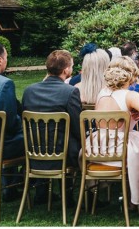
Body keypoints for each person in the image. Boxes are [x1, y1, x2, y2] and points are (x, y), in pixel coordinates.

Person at [94, 56, 139, 207]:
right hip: (119, 148)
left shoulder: (101, 93)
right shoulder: (129, 95)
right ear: (132, 76)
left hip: (97, 147)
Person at [21, 50, 82, 204]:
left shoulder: (29, 91)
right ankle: (68, 196)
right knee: (75, 140)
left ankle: (41, 193)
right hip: (63, 154)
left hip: (33, 152)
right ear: (66, 70)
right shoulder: (71, 91)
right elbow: (76, 126)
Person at [0, 41, 24, 159]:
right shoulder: (4, 83)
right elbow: (10, 122)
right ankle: (22, 177)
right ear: (0, 60)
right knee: (34, 139)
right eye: (6, 58)